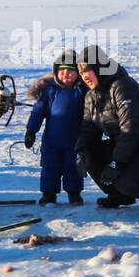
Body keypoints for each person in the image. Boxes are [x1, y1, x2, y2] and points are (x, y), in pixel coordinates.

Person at [74, 45, 139, 213]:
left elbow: (130, 127)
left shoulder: (122, 87)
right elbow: (88, 130)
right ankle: (119, 195)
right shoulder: (91, 97)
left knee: (127, 182)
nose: (84, 75)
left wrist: (117, 163)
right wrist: (79, 151)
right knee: (89, 153)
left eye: (87, 69)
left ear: (99, 68)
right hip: (126, 147)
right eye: (80, 72)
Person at [24, 51, 86, 205]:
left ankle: (74, 194)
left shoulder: (83, 92)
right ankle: (49, 194)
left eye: (71, 71)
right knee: (50, 167)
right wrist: (31, 131)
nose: (66, 74)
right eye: (62, 71)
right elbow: (38, 112)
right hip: (52, 140)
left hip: (75, 140)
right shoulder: (50, 91)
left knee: (73, 168)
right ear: (56, 72)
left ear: (78, 73)